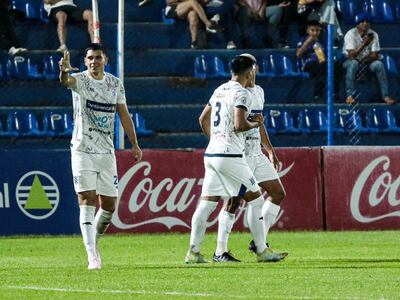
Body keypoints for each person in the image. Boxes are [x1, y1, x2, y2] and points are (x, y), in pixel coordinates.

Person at [185, 55, 279, 264]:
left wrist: (215, 139)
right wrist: (256, 123)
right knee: (256, 199)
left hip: (211, 154)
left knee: (207, 203)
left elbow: (202, 118)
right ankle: (262, 251)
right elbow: (239, 125)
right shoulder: (242, 93)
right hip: (230, 155)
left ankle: (193, 252)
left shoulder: (220, 89)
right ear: (249, 72)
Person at [58, 43, 142, 270]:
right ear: (85, 61)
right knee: (87, 199)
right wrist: (64, 71)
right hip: (82, 149)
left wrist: (134, 143)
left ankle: (92, 243)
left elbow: (123, 114)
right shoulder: (80, 80)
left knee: (109, 206)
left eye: (97, 58)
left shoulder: (115, 83)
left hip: (106, 151)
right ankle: (92, 255)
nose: (93, 61)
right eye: (89, 58)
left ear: (105, 59)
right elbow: (66, 82)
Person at [212, 54, 288, 263]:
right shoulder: (236, 92)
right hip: (240, 153)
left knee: (277, 192)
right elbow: (237, 123)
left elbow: (259, 122)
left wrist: (269, 150)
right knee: (233, 202)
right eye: (252, 67)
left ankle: (258, 241)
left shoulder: (259, 92)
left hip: (256, 152)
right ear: (248, 70)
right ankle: (220, 250)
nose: (255, 70)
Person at [343, 13, 396, 105]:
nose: (365, 23)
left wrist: (362, 59)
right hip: (348, 62)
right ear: (357, 23)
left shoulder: (373, 34)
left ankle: (385, 96)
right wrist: (364, 43)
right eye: (362, 21)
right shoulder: (350, 34)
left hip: (366, 62)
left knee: (379, 64)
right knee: (353, 63)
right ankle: (349, 96)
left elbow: (375, 55)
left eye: (367, 22)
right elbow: (351, 55)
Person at [296, 20, 341, 102]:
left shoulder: (322, 42)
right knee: (321, 67)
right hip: (308, 65)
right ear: (308, 31)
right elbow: (298, 54)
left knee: (336, 65)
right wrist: (309, 41)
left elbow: (324, 58)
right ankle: (317, 96)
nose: (315, 33)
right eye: (312, 30)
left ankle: (335, 94)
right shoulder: (303, 40)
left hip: (321, 64)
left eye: (317, 30)